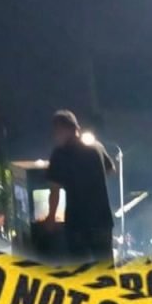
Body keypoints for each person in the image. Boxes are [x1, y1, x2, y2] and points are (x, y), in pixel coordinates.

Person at [43, 110, 116, 263]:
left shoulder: (60, 154)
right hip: (102, 221)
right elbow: (111, 170)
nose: (55, 136)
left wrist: (51, 219)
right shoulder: (97, 146)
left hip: (78, 224)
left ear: (64, 129)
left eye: (56, 131)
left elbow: (54, 190)